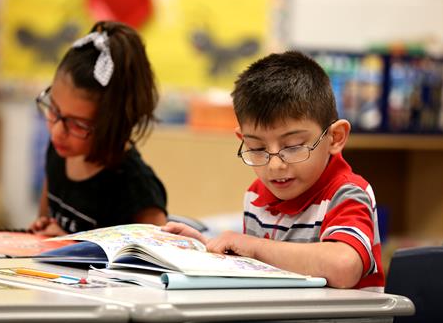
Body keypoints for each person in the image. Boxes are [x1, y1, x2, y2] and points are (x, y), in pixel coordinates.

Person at [163, 51, 384, 291]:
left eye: (293, 146)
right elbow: (263, 269)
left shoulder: (347, 193)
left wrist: (252, 246)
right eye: (257, 148)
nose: (274, 165)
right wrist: (210, 248)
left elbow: (343, 266)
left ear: (335, 137)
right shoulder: (256, 196)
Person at [30, 21, 167, 236]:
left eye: (78, 124)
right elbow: (45, 221)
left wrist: (67, 245)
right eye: (54, 110)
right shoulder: (60, 149)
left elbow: (153, 263)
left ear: (116, 122)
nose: (57, 131)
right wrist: (42, 230)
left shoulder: (138, 191)